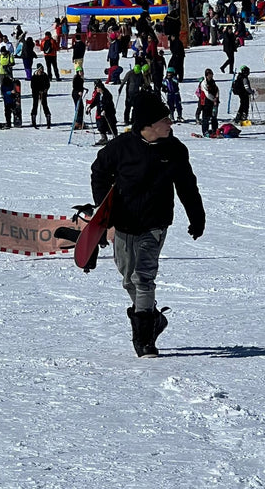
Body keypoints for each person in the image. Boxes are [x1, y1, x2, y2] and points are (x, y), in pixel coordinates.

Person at [90, 90, 205, 358]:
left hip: (155, 223)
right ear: (148, 124)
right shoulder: (121, 147)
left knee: (143, 277)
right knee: (128, 279)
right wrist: (103, 211)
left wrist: (197, 217)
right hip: (122, 223)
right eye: (165, 119)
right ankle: (152, 317)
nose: (170, 124)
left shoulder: (175, 150)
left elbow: (187, 186)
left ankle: (144, 341)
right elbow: (99, 172)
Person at [86, 79, 118, 145]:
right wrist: (90, 107)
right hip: (101, 112)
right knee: (101, 125)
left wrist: (105, 110)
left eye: (97, 88)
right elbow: (95, 101)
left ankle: (115, 137)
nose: (96, 90)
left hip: (109, 112)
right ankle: (104, 138)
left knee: (111, 124)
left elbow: (108, 103)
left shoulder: (107, 94)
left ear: (100, 88)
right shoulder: (98, 94)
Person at [30, 63, 52, 129]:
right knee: (35, 105)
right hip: (36, 93)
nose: (41, 70)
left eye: (42, 69)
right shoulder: (34, 76)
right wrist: (37, 91)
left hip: (43, 93)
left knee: (45, 105)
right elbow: (32, 86)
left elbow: (47, 84)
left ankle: (48, 120)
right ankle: (33, 121)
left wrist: (45, 90)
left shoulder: (45, 75)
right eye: (40, 69)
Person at [199, 68, 219, 137]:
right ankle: (205, 131)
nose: (211, 76)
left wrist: (216, 98)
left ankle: (215, 129)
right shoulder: (204, 83)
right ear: (206, 75)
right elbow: (206, 93)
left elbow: (217, 90)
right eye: (209, 75)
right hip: (206, 101)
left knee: (214, 116)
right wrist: (213, 99)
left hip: (214, 101)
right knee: (206, 117)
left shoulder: (213, 82)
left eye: (211, 75)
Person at [72, 66, 88, 130]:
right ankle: (77, 122)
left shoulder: (81, 78)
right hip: (76, 94)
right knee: (79, 107)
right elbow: (75, 86)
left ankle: (80, 121)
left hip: (79, 93)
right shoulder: (76, 78)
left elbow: (80, 86)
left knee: (81, 107)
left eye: (82, 71)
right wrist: (79, 91)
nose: (81, 73)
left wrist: (83, 89)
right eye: (80, 71)